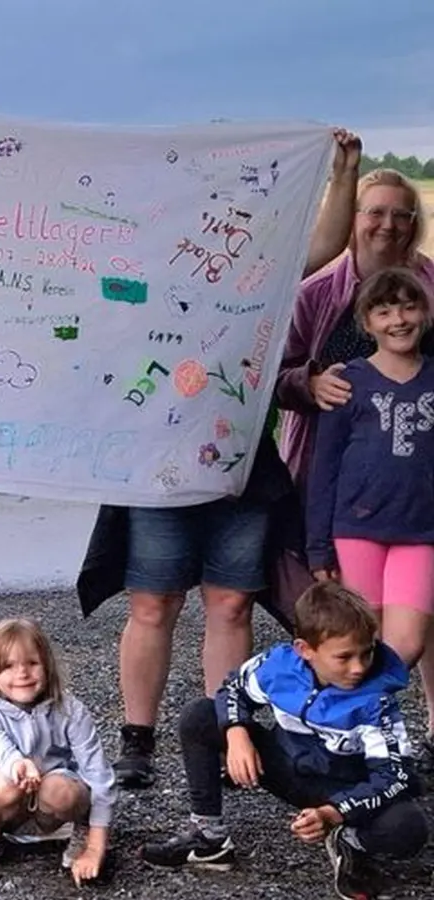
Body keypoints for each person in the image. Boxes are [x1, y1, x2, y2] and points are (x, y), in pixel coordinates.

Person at [94, 130, 368, 789]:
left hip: (239, 471)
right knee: (153, 605)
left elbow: (326, 248)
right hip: (154, 471)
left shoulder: (256, 270)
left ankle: (222, 726)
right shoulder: (131, 270)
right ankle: (139, 739)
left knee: (231, 605)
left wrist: (345, 169)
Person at [279, 164, 434, 764]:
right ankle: (359, 746)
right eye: (375, 211)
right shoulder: (319, 292)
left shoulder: (429, 287)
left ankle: (380, 735)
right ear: (352, 218)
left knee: (409, 635)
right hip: (353, 503)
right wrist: (309, 381)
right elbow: (278, 372)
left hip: (419, 510)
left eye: (401, 214)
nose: (387, 224)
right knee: (353, 636)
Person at [141, 582, 427, 900]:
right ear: (305, 650)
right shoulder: (279, 666)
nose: (359, 667)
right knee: (199, 715)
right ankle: (207, 835)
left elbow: (395, 777)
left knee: (409, 827)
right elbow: (233, 688)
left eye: (367, 652)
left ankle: (349, 840)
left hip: (341, 789)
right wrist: (236, 733)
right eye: (344, 657)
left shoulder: (376, 700)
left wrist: (335, 812)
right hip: (284, 767)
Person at [306, 269, 434, 685]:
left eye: (408, 307)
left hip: (421, 531)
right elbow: (324, 468)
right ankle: (359, 738)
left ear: (425, 313)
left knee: (405, 644)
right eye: (384, 311)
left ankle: (360, 722)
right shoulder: (349, 382)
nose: (398, 320)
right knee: (361, 639)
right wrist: (318, 546)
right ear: (367, 324)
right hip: (358, 527)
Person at [0, 618, 114, 885]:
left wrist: (97, 847)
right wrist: (18, 764)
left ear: (47, 665)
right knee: (6, 780)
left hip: (54, 801)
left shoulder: (71, 709)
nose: (22, 674)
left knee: (64, 789)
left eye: (32, 663)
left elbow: (98, 774)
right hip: (4, 796)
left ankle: (81, 831)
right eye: (8, 666)